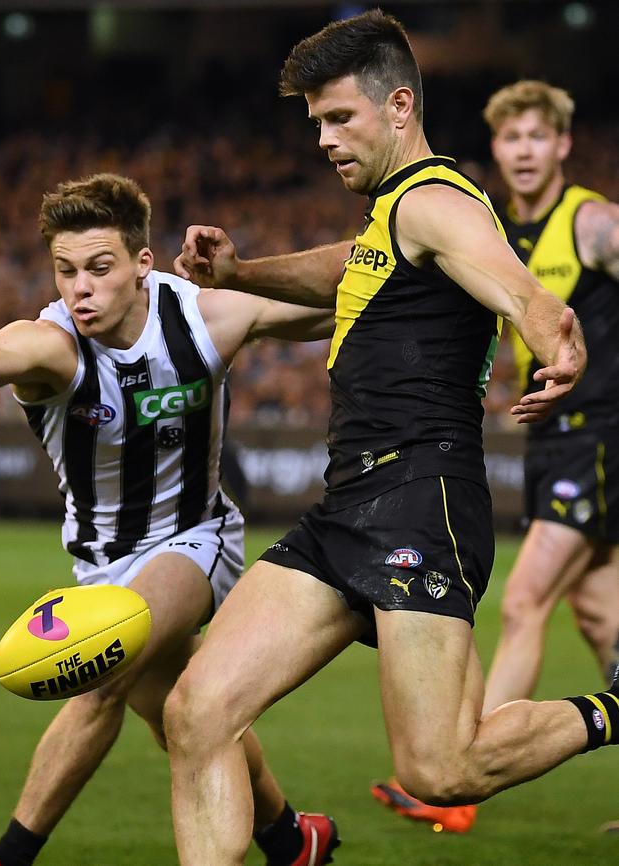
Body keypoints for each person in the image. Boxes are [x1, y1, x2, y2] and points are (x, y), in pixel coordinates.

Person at [159, 12, 617, 866]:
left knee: (442, 769)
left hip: (421, 503)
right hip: (348, 509)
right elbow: (344, 270)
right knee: (197, 713)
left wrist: (558, 330)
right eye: (316, 125)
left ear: (398, 105)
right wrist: (241, 273)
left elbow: (517, 288)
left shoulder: (437, 201)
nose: (324, 140)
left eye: (340, 119)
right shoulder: (390, 219)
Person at [0, 172, 340, 866]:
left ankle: (7, 857)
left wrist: (437, 262)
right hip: (100, 562)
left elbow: (341, 301)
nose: (80, 288)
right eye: (66, 270)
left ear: (143, 264)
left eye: (100, 268)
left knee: (100, 670)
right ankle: (293, 839)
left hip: (194, 539)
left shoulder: (205, 319)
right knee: (186, 714)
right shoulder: (53, 347)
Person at [370, 78, 619, 835]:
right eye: (511, 139)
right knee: (604, 617)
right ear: (498, 150)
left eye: (537, 137)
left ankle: (458, 783)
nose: (523, 151)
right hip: (554, 441)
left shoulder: (595, 223)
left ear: (562, 146)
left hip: (603, 438)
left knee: (524, 600)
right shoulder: (495, 231)